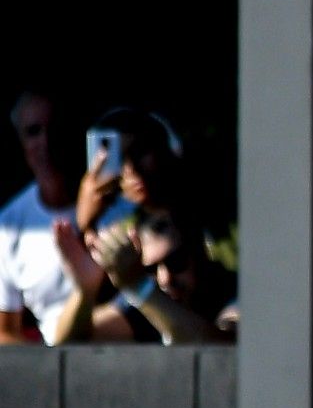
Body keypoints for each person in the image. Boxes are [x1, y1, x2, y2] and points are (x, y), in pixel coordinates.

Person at [48, 110, 235, 344]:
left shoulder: (230, 278)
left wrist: (140, 286)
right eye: (120, 159)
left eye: (176, 262)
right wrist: (84, 290)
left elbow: (225, 350)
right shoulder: (147, 290)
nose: (132, 169)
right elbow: (67, 346)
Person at [1, 88, 129, 344]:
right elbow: (5, 331)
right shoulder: (9, 224)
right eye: (33, 131)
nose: (46, 143)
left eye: (56, 128)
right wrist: (47, 371)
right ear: (20, 142)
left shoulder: (125, 203)